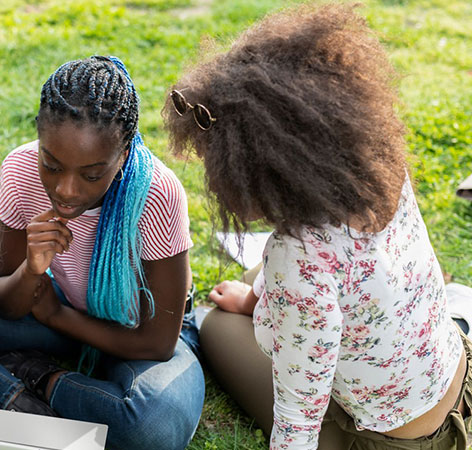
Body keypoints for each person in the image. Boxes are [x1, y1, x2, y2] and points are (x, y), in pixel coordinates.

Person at [164, 4, 472, 449]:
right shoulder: (378, 167)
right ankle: (260, 302)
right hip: (457, 385)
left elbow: (297, 423)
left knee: (215, 326)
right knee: (256, 280)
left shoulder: (297, 259)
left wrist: (269, 306)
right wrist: (257, 300)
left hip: (396, 442)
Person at [0, 55, 205, 450]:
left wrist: (56, 314)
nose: (66, 190)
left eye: (91, 175)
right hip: (56, 315)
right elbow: (3, 300)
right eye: (51, 165)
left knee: (152, 426)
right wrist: (32, 272)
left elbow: (157, 342)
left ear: (122, 156)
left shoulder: (157, 193)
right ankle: (73, 401)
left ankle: (37, 380)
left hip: (138, 335)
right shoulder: (20, 170)